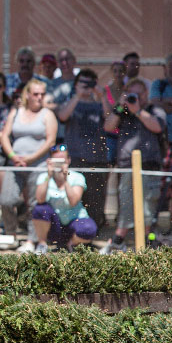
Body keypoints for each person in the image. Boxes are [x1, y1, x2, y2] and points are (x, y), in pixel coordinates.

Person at [103, 80, 166, 252]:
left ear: (146, 94)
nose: (135, 98)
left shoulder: (154, 110)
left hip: (148, 166)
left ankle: (146, 243)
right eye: (132, 94)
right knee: (126, 205)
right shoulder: (123, 111)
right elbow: (108, 126)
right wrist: (119, 106)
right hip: (126, 167)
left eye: (139, 94)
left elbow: (158, 127)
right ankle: (119, 240)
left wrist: (138, 111)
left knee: (147, 207)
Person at [0, 79, 58, 252]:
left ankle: (32, 241)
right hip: (15, 163)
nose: (39, 97)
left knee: (35, 203)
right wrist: (12, 156)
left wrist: (30, 158)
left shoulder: (48, 114)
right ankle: (11, 235)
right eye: (35, 94)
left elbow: (51, 141)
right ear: (27, 95)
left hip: (37, 165)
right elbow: (4, 136)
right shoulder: (16, 112)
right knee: (6, 200)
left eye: (42, 94)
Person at [57, 69, 109, 228]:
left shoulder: (100, 104)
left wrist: (102, 97)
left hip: (97, 159)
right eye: (83, 83)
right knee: (72, 199)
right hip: (75, 158)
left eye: (90, 83)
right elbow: (63, 116)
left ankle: (91, 236)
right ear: (75, 85)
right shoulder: (70, 102)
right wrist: (78, 95)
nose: (87, 87)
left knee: (95, 201)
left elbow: (111, 119)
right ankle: (70, 236)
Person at [31, 144, 99, 254]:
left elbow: (73, 202)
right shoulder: (43, 177)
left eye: (62, 161)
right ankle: (42, 244)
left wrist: (65, 180)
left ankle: (72, 244)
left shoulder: (77, 177)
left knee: (89, 229)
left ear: (68, 161)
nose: (59, 164)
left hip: (74, 221)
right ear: (50, 161)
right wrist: (48, 176)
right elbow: (39, 200)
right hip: (54, 225)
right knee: (40, 209)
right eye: (56, 161)